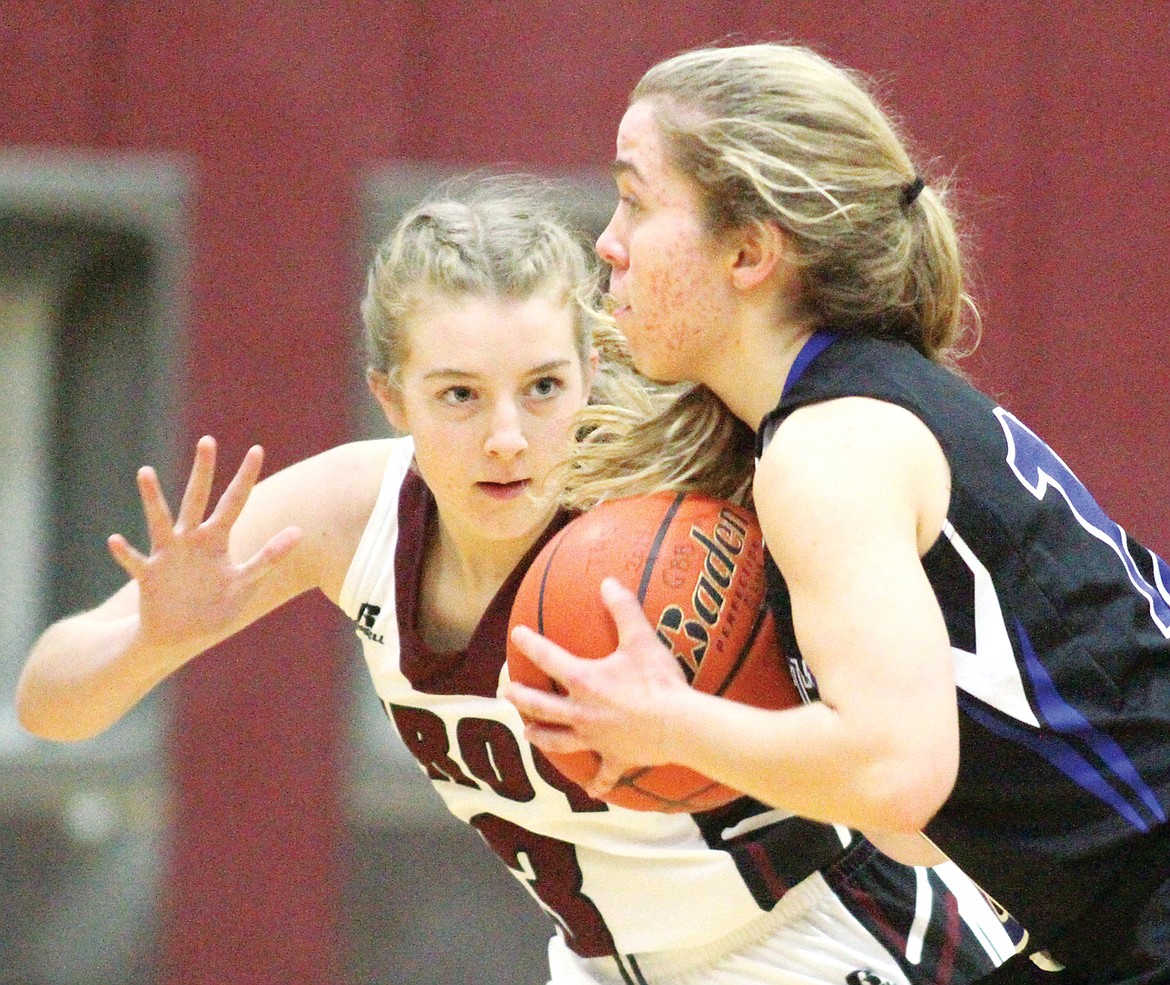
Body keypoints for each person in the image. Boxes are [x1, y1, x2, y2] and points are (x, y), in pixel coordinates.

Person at [16, 176, 1015, 985]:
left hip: (829, 933)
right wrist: (148, 637)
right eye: (458, 393)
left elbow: (915, 808)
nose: (506, 437)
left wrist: (701, 729)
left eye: (542, 387)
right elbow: (51, 704)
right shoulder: (343, 514)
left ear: (590, 369)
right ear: (390, 396)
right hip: (598, 964)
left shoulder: (685, 523)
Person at [504, 42, 1170, 985]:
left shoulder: (827, 452)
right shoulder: (857, 412)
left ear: (749, 251)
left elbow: (897, 772)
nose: (607, 241)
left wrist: (669, 723)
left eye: (637, 201)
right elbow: (917, 833)